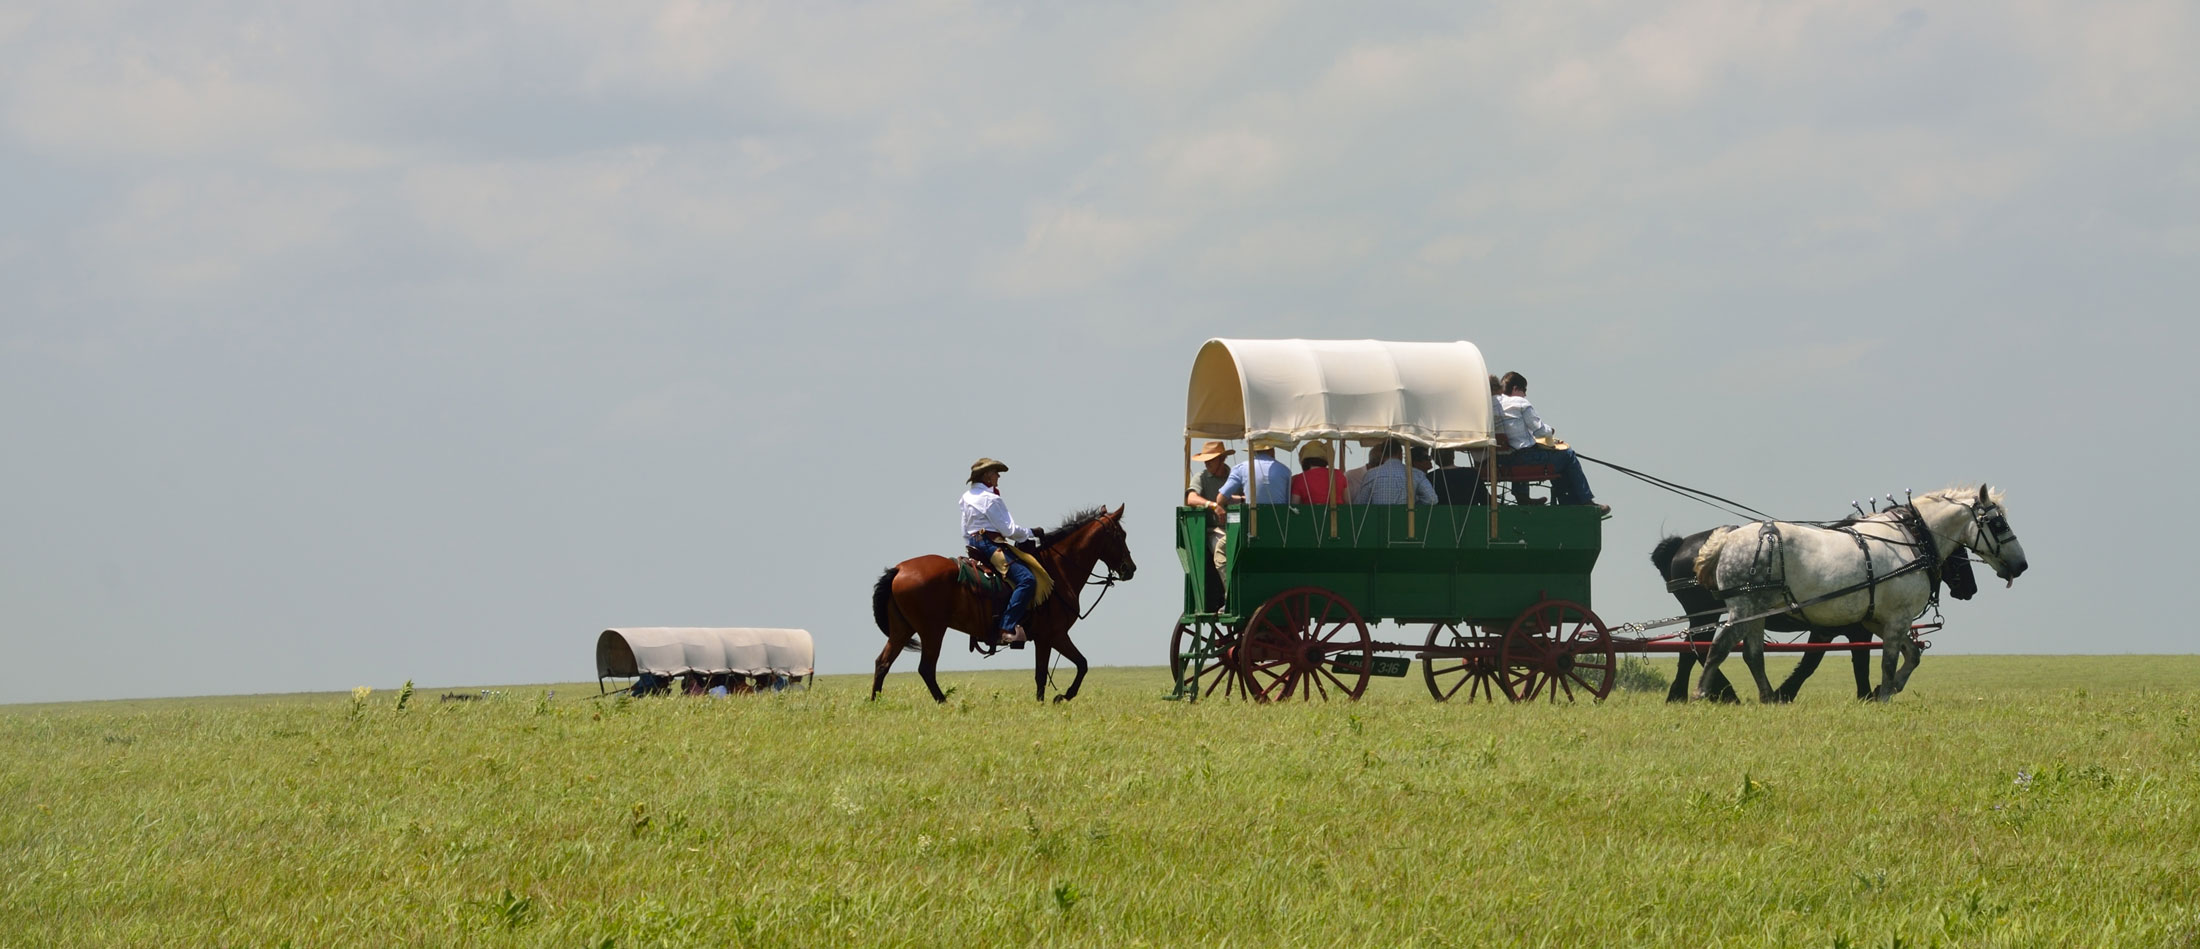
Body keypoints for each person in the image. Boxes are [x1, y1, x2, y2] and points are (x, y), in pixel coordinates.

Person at [1494, 371, 1607, 515]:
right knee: (1567, 455)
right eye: (1524, 390)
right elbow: (1540, 431)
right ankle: (1585, 502)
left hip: (1500, 462)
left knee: (1518, 454)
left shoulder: (1492, 406)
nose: (1525, 395)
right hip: (1522, 460)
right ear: (1516, 389)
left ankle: (1522, 497)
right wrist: (1550, 431)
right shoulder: (1520, 403)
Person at [960, 457, 1040, 645]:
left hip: (974, 543)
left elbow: (964, 529)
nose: (998, 476)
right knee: (1027, 580)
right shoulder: (990, 499)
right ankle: (1006, 628)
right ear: (987, 476)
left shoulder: (967, 497)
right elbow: (1009, 530)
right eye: (996, 473)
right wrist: (1031, 533)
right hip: (990, 544)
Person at [1183, 441, 1234, 610]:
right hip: (1213, 530)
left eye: (1211, 459)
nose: (1207, 463)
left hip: (1236, 527)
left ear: (1222, 459)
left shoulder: (1235, 476)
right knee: (1223, 546)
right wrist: (1213, 505)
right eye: (1205, 460)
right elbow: (1190, 499)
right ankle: (1231, 597)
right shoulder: (1202, 477)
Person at [1351, 440, 1437, 505]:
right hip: (1408, 522)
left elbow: (1360, 503)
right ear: (1400, 454)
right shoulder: (1416, 474)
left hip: (1380, 523)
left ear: (1383, 455)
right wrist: (1415, 506)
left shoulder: (1371, 475)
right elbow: (1432, 499)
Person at [1217, 442, 1291, 506]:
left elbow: (1220, 500)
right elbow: (1289, 502)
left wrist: (1240, 499)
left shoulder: (1241, 468)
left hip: (1252, 519)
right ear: (1272, 450)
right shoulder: (1285, 470)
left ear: (1253, 451)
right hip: (1280, 520)